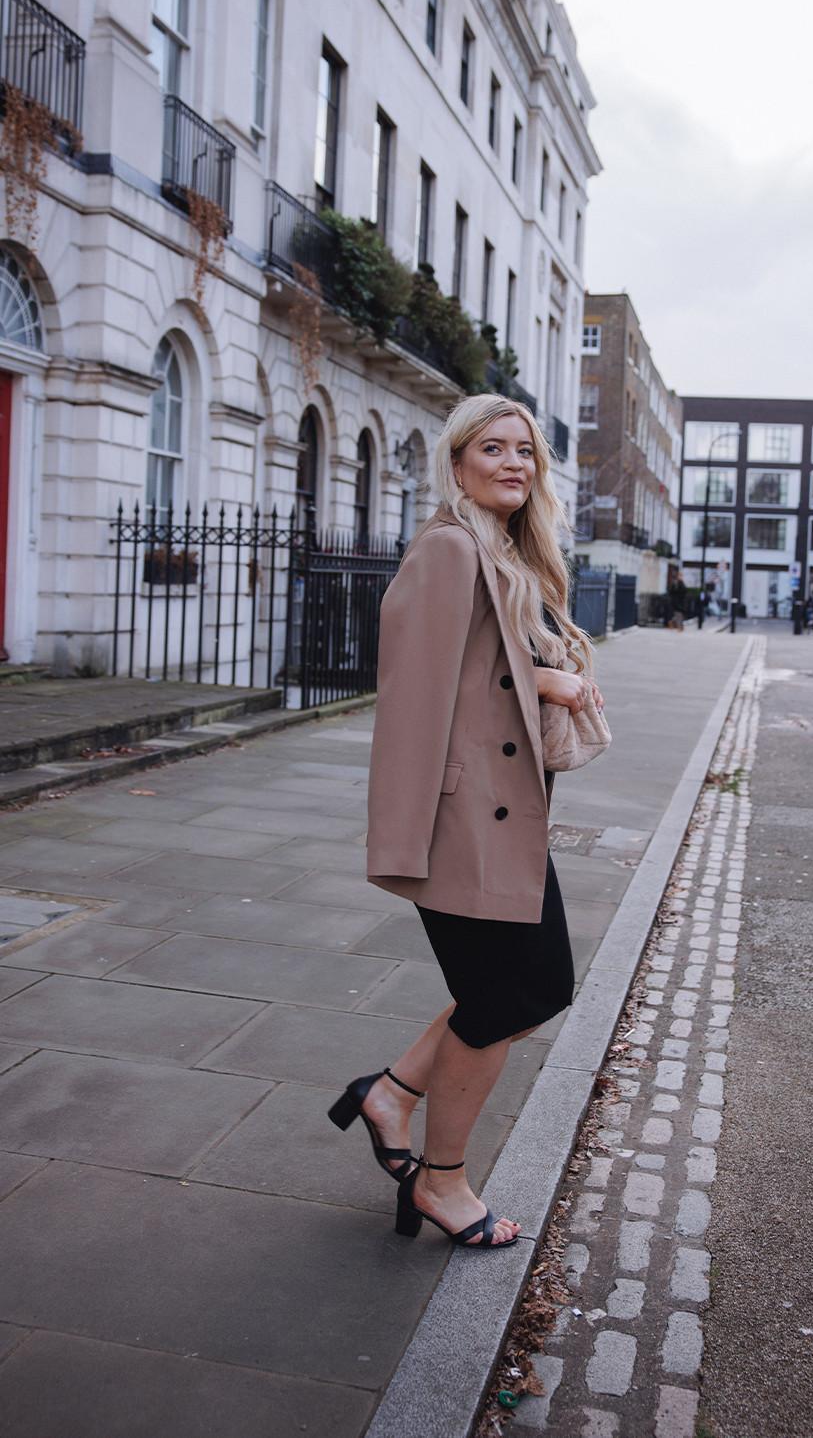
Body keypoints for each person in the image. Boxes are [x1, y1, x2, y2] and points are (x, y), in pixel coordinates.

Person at [330, 393, 602, 1251]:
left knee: (528, 989)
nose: (515, 462)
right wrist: (544, 682)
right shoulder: (447, 550)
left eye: (526, 450)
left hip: (503, 816)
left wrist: (542, 668)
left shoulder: (507, 552)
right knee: (511, 996)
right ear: (457, 465)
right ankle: (442, 1183)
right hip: (458, 821)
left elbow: (488, 664)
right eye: (493, 448)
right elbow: (413, 697)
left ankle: (392, 1094)